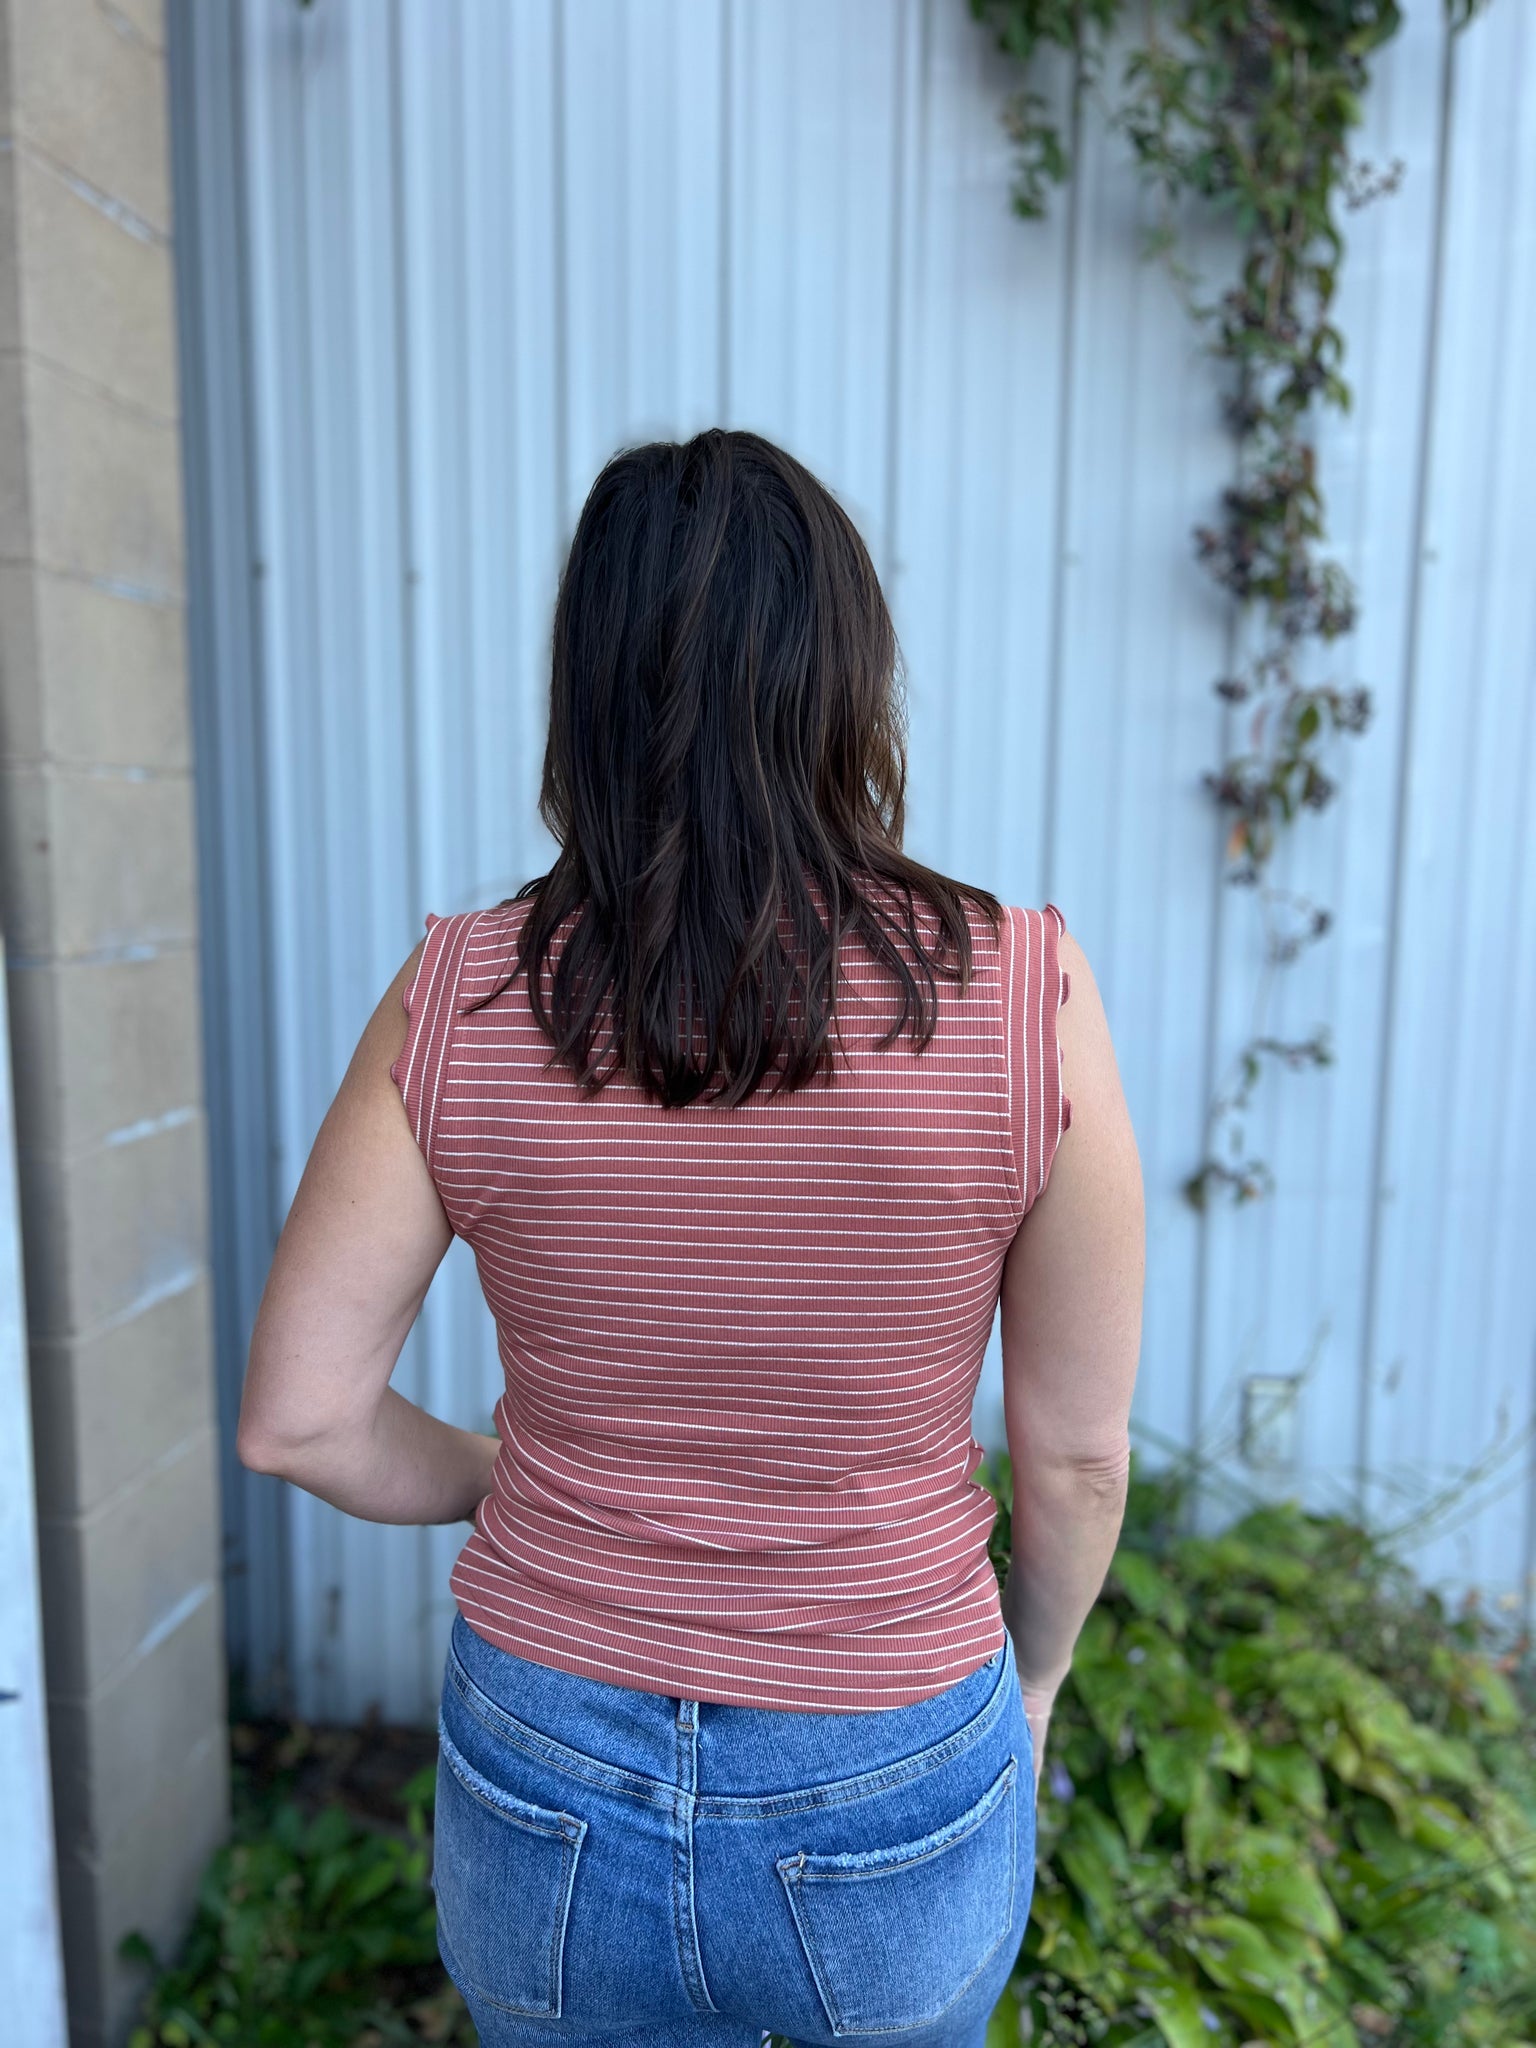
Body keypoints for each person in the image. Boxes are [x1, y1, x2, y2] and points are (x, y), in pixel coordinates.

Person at [237, 427, 1145, 2048]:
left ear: (586, 688)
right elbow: (1075, 1459)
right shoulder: (1024, 998)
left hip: (548, 1760)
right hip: (891, 1740)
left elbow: (300, 1420)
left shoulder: (460, 997)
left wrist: (505, 1479)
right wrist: (1036, 1677)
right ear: (847, 679)